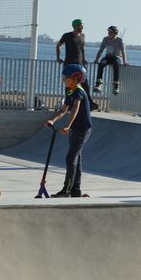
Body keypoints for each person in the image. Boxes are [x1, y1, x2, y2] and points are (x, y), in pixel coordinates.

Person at [45, 64, 92, 197]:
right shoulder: (69, 91)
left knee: (71, 158)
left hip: (83, 129)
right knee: (77, 158)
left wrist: (68, 125)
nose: (63, 80)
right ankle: (76, 190)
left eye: (66, 78)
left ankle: (67, 190)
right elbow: (63, 110)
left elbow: (75, 108)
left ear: (76, 78)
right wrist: (52, 120)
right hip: (75, 129)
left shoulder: (78, 91)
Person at [56, 18, 99, 111]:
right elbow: (58, 46)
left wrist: (84, 59)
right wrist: (58, 58)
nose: (82, 26)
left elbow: (82, 48)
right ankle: (69, 105)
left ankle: (89, 104)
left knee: (85, 84)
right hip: (69, 65)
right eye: (81, 25)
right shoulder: (67, 35)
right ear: (75, 26)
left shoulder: (83, 36)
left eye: (82, 25)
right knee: (70, 86)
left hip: (80, 65)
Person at [93, 25, 128, 95]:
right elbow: (101, 50)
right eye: (108, 32)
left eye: (111, 32)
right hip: (108, 57)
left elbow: (123, 51)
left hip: (116, 57)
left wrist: (125, 61)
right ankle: (98, 84)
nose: (109, 34)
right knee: (102, 63)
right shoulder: (105, 39)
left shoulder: (119, 40)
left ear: (115, 33)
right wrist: (96, 59)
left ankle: (116, 85)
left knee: (116, 64)